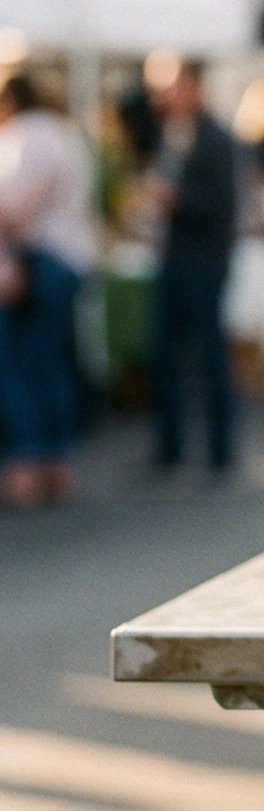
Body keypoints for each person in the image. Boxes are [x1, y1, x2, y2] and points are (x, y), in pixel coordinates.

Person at [0, 71, 97, 508]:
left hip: (39, 262)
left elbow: (16, 209)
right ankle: (57, 462)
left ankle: (29, 463)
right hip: (69, 258)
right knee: (52, 360)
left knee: (22, 365)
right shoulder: (66, 135)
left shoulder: (28, 136)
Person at [143, 53, 242, 477]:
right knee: (166, 354)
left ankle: (219, 452)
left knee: (209, 355)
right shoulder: (172, 134)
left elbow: (223, 205)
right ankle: (171, 447)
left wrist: (174, 201)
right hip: (176, 256)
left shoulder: (217, 139)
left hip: (204, 259)